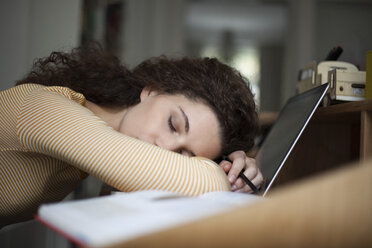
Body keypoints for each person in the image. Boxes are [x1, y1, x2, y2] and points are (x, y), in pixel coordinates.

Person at [0, 44, 263, 227]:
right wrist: (220, 173)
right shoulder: (45, 109)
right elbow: (208, 183)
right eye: (173, 124)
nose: (165, 149)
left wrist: (230, 165)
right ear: (151, 91)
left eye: (184, 155)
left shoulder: (95, 141)